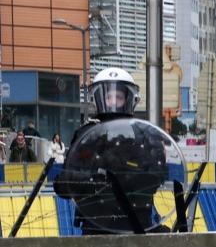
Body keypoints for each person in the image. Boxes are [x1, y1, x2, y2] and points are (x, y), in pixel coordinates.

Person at [54, 67, 169, 234]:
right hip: (95, 226)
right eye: (109, 97)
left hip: (136, 223)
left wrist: (124, 173)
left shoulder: (145, 135)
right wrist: (96, 178)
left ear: (131, 98)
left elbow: (156, 178)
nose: (113, 102)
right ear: (98, 98)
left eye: (119, 97)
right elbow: (65, 183)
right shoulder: (86, 135)